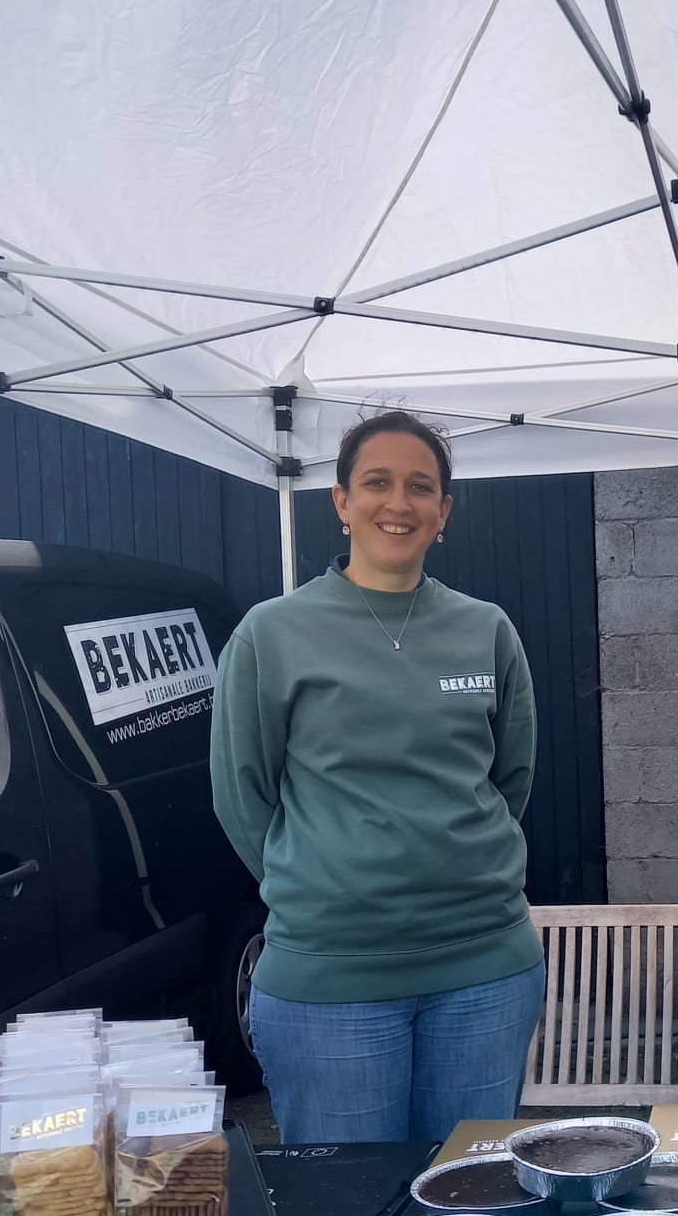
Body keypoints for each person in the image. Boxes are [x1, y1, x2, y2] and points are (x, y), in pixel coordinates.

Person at [210, 409, 545, 1143]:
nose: (400, 504)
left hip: (484, 970)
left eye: (421, 487)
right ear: (340, 501)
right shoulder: (272, 634)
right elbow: (242, 794)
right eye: (377, 483)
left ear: (444, 510)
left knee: (469, 1204)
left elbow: (509, 780)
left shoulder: (486, 629)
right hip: (329, 982)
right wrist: (329, 881)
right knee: (348, 1211)